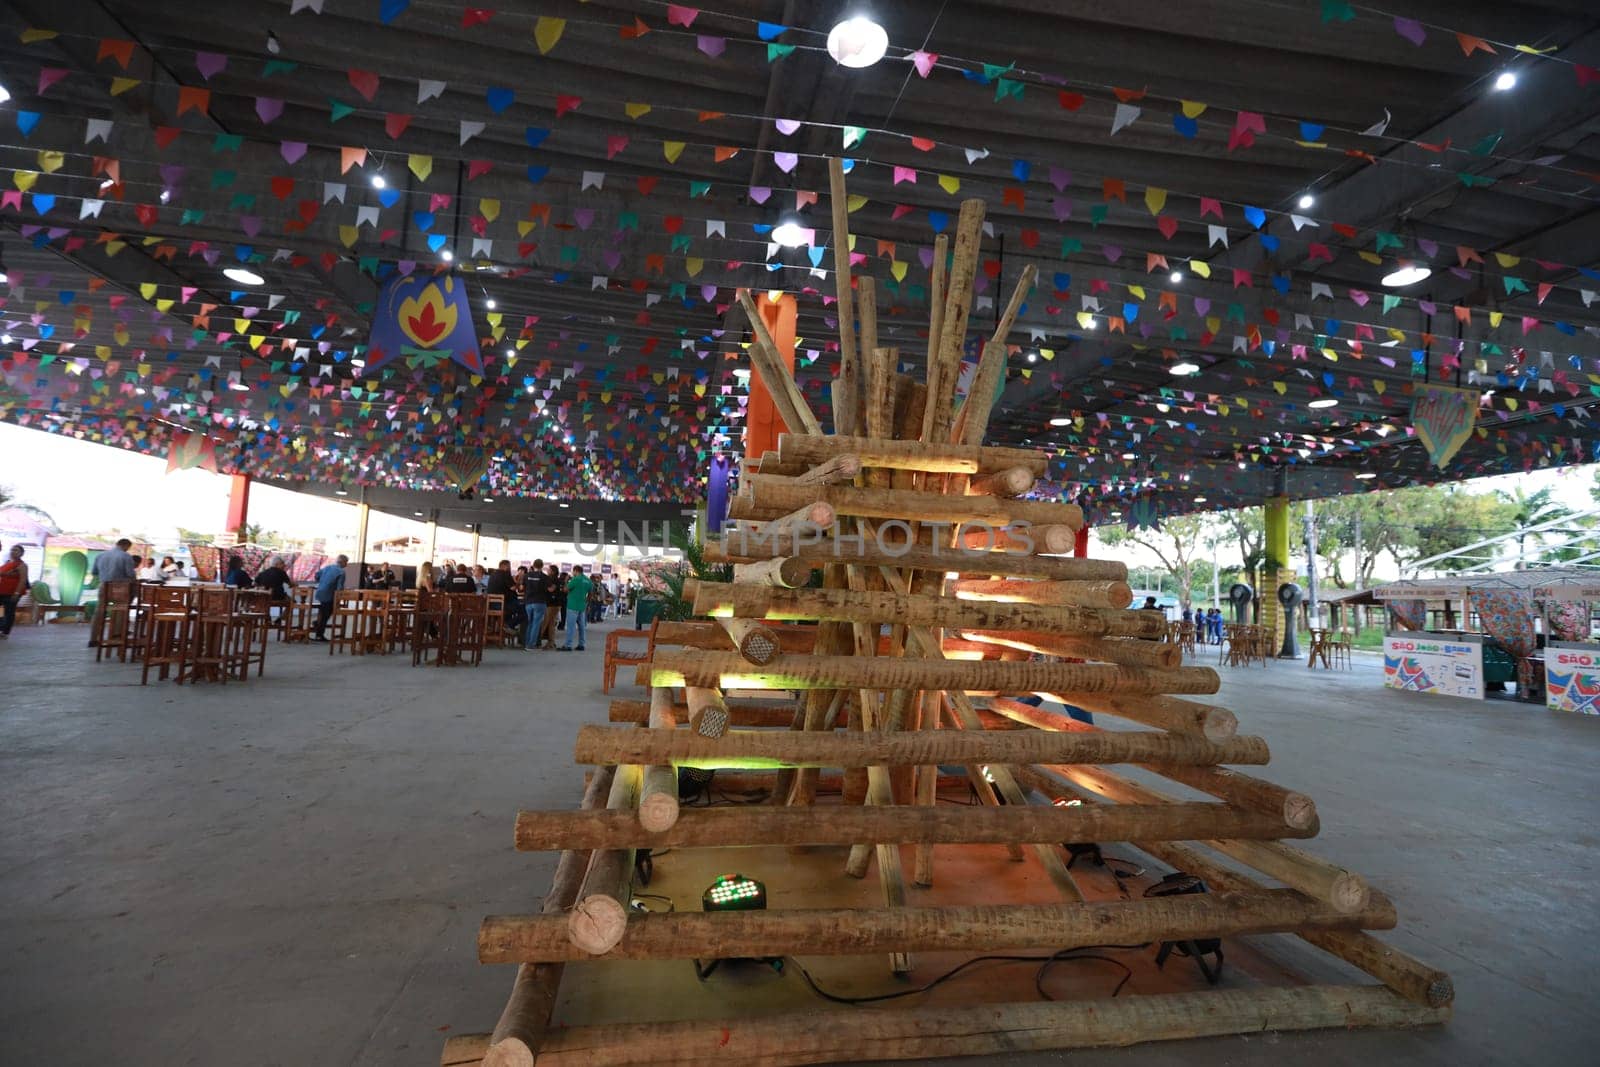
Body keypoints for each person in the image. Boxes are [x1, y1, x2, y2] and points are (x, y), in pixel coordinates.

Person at [311, 555, 349, 641]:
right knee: (327, 613)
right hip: (329, 595)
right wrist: (339, 600)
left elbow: (317, 575)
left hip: (320, 593)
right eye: (346, 562)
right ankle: (319, 633)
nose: (347, 565)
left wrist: (322, 582)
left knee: (323, 611)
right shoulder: (341, 572)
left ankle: (318, 623)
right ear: (342, 562)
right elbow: (339, 589)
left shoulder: (327, 567)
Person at [561, 564, 593, 651]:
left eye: (573, 571)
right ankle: (581, 644)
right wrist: (587, 602)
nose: (573, 573)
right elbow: (590, 594)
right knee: (582, 627)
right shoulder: (588, 580)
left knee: (571, 626)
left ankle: (568, 645)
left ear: (576, 571)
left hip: (572, 605)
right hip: (582, 606)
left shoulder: (575, 579)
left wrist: (566, 581)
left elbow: (565, 590)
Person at [0, 543, 29, 639]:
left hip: (12, 592)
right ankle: (1, 628)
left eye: (16, 550)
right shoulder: (8, 562)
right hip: (2, 591)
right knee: (2, 611)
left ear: (21, 553)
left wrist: (16, 593)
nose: (13, 552)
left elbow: (23, 580)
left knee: (9, 612)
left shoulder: (22, 565)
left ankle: (5, 632)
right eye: (12, 549)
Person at [522, 558, 547, 650]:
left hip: (528, 602)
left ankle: (526, 643)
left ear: (533, 565)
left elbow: (522, 587)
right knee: (536, 624)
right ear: (542, 566)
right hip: (540, 602)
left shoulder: (526, 575)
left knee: (530, 623)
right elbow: (549, 589)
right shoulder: (544, 577)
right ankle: (531, 645)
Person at [541, 563, 564, 649]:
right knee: (551, 623)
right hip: (555, 604)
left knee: (545, 623)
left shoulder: (553, 579)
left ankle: (537, 641)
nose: (547, 571)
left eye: (549, 570)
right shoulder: (555, 579)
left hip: (552, 604)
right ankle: (551, 642)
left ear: (553, 571)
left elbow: (551, 589)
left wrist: (543, 587)